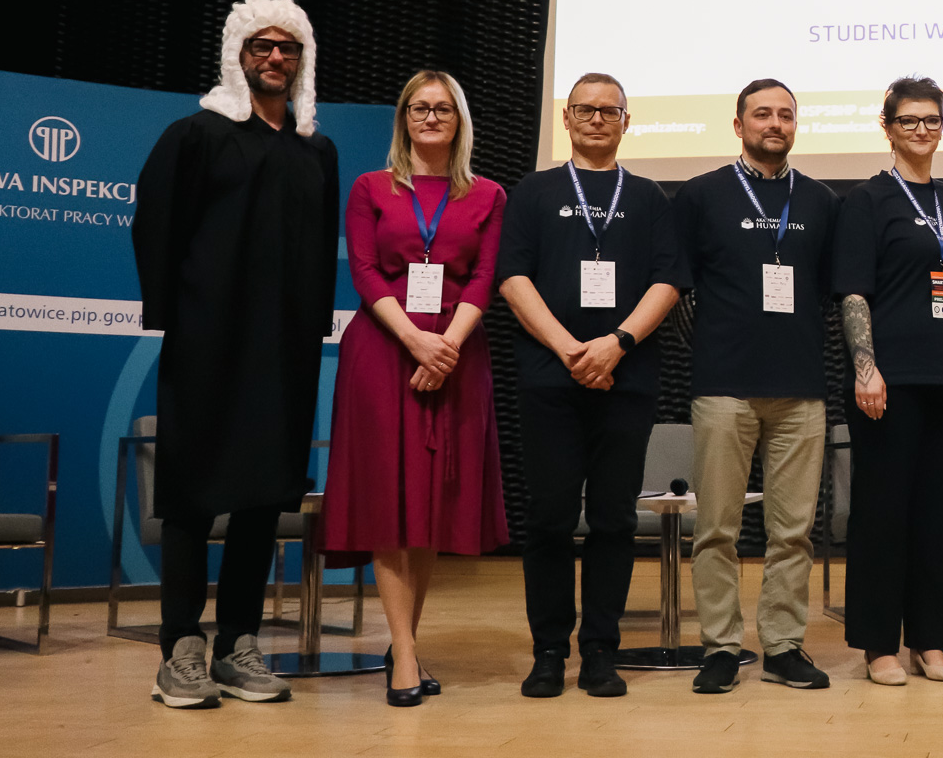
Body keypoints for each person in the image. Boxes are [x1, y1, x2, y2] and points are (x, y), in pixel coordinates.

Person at [131, 0, 339, 709]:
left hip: (285, 352)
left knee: (264, 497)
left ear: (302, 60)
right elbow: (155, 227)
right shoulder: (194, 135)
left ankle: (237, 645)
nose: (275, 57)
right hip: (207, 344)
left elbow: (321, 249)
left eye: (288, 47)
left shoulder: (317, 150)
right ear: (237, 55)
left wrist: (310, 327)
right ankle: (180, 649)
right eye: (262, 46)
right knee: (191, 497)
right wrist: (177, 319)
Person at [499, 73, 687, 699]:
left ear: (627, 121)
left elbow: (668, 281)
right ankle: (549, 651)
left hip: (624, 379)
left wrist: (616, 344)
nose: (598, 119)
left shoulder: (650, 196)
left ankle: (601, 651)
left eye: (610, 111)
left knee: (612, 520)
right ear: (567, 118)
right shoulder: (534, 191)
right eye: (586, 109)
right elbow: (513, 278)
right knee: (549, 519)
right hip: (549, 379)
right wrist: (569, 349)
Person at [325, 70, 509, 706]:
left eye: (443, 108)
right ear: (403, 118)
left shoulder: (488, 194)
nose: (431, 117)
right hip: (384, 351)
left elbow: (483, 277)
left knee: (431, 504)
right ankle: (403, 652)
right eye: (419, 108)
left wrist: (445, 347)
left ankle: (405, 641)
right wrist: (416, 341)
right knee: (388, 502)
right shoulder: (370, 187)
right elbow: (365, 271)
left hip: (457, 353)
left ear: (459, 121)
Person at [671, 79, 839, 695]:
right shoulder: (701, 195)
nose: (775, 123)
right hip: (724, 385)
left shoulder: (820, 200)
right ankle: (721, 647)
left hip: (801, 388)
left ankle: (783, 646)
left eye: (785, 115)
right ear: (739, 124)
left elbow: (829, 293)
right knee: (716, 527)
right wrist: (718, 347)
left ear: (795, 126)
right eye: (762, 114)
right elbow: (678, 292)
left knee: (792, 531)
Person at [834, 77, 943, 685]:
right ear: (887, 128)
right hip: (888, 381)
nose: (921, 130)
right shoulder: (867, 199)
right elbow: (853, 292)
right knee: (882, 514)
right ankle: (878, 646)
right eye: (909, 120)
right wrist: (866, 369)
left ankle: (931, 640)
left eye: (931, 120)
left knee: (940, 516)